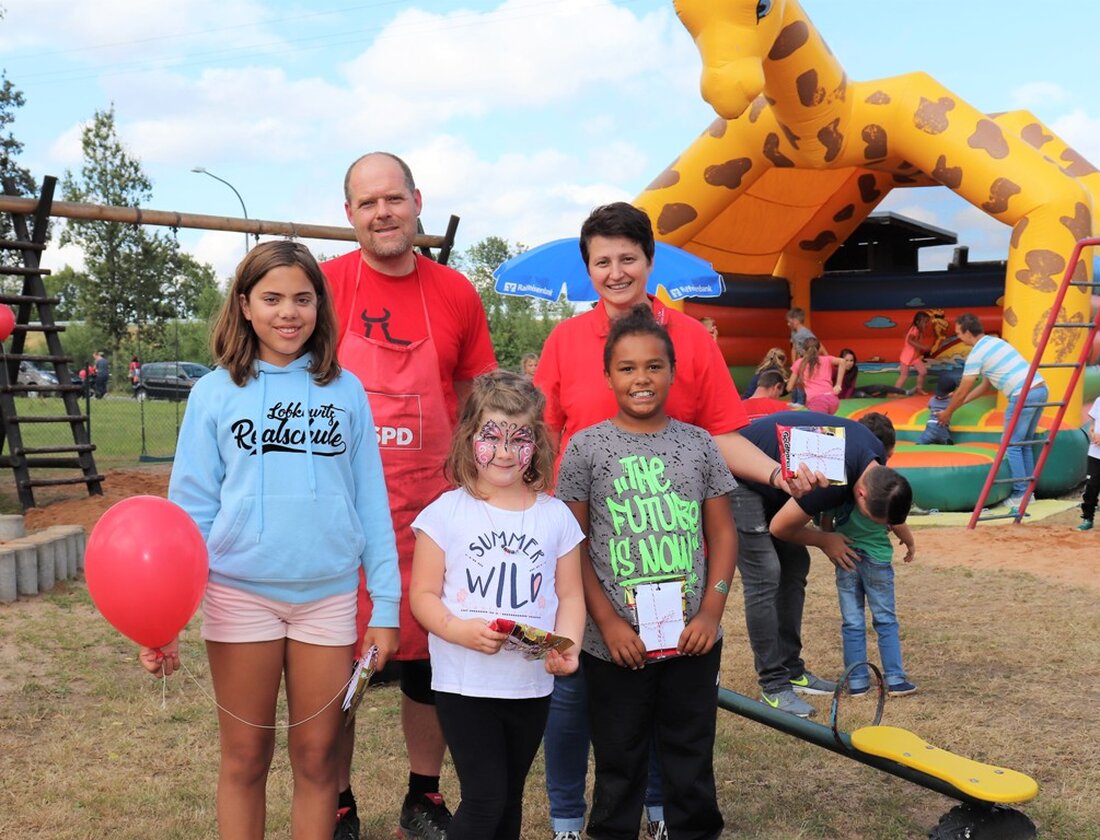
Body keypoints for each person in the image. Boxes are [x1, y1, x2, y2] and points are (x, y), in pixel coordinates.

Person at [534, 201, 823, 840]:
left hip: (670, 559)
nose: (615, 272)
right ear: (589, 269)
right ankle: (566, 820)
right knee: (576, 691)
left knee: (670, 696)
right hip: (581, 550)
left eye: (627, 259)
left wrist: (779, 476)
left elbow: (720, 434)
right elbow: (544, 439)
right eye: (602, 261)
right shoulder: (564, 342)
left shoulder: (689, 340)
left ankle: (664, 815)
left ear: (649, 261)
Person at [140, 241, 400, 839]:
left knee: (317, 761)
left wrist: (384, 607)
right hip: (239, 597)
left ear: (320, 306)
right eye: (273, 298)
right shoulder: (213, 393)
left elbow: (371, 506)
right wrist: (165, 620)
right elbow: (191, 513)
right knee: (245, 759)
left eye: (303, 299)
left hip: (327, 600)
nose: (289, 312)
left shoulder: (346, 391)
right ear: (245, 305)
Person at [321, 152, 497, 840]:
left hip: (432, 510)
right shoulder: (323, 285)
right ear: (349, 216)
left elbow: (474, 396)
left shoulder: (454, 291)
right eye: (367, 204)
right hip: (341, 515)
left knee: (431, 667)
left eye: (393, 199)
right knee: (336, 667)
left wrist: (489, 483)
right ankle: (336, 800)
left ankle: (423, 797)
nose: (383, 213)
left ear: (417, 201)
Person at [556, 306, 736, 840]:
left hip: (691, 638)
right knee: (620, 758)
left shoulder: (700, 444)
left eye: (654, 366)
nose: (642, 379)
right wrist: (608, 623)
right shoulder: (586, 448)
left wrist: (711, 609)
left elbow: (723, 535)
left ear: (673, 372)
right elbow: (574, 545)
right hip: (615, 644)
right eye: (628, 368)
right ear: (608, 375)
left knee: (689, 754)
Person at [408, 370, 585, 840]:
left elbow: (570, 594)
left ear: (537, 444)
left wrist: (568, 645)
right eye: (492, 436)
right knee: (485, 798)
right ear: (469, 437)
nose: (505, 452)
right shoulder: (444, 514)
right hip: (464, 686)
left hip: (530, 687)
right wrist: (458, 630)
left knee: (508, 799)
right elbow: (422, 596)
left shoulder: (556, 517)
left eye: (519, 438)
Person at [731, 410, 912, 717]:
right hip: (741, 476)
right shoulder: (830, 477)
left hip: (778, 480)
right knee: (766, 573)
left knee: (795, 566)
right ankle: (774, 686)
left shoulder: (876, 460)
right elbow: (780, 528)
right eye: (870, 517)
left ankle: (791, 669)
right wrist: (826, 540)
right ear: (861, 492)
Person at [822, 415, 918, 698]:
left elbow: (826, 522)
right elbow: (897, 520)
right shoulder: (884, 485)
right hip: (876, 559)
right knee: (885, 618)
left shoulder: (841, 481)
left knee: (852, 621)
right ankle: (896, 679)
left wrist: (830, 544)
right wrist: (909, 543)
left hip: (847, 558)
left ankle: (857, 682)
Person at [935, 313, 1048, 512]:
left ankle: (1021, 493)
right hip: (1039, 389)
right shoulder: (995, 343)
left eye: (958, 333)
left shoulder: (977, 353)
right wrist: (956, 405)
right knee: (1024, 444)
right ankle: (1028, 493)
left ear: (968, 332)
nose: (958, 337)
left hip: (1022, 394)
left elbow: (963, 389)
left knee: (1011, 445)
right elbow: (984, 388)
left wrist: (947, 413)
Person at [786, 337, 844, 415]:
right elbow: (842, 361)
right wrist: (838, 384)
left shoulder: (799, 363)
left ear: (803, 350)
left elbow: (789, 387)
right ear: (819, 349)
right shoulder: (827, 359)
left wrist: (798, 384)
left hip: (817, 402)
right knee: (826, 424)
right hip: (833, 399)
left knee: (817, 425)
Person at [917, 371, 959, 445]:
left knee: (924, 439)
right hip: (941, 426)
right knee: (945, 439)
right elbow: (956, 404)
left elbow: (929, 406)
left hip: (930, 425)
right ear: (951, 393)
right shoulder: (950, 402)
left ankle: (920, 444)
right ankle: (947, 442)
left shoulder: (932, 399)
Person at [895, 311, 931, 395]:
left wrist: (923, 349)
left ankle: (919, 388)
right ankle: (894, 391)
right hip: (907, 357)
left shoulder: (919, 331)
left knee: (923, 372)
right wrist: (923, 347)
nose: (926, 324)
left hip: (915, 357)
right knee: (904, 376)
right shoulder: (914, 329)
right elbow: (910, 340)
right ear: (918, 322)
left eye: (927, 322)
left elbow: (915, 342)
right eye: (925, 322)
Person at [1077, 398, 1100, 531]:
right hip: (1095, 453)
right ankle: (1087, 518)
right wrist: (1093, 432)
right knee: (1091, 486)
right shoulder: (1099, 400)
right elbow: (1094, 422)